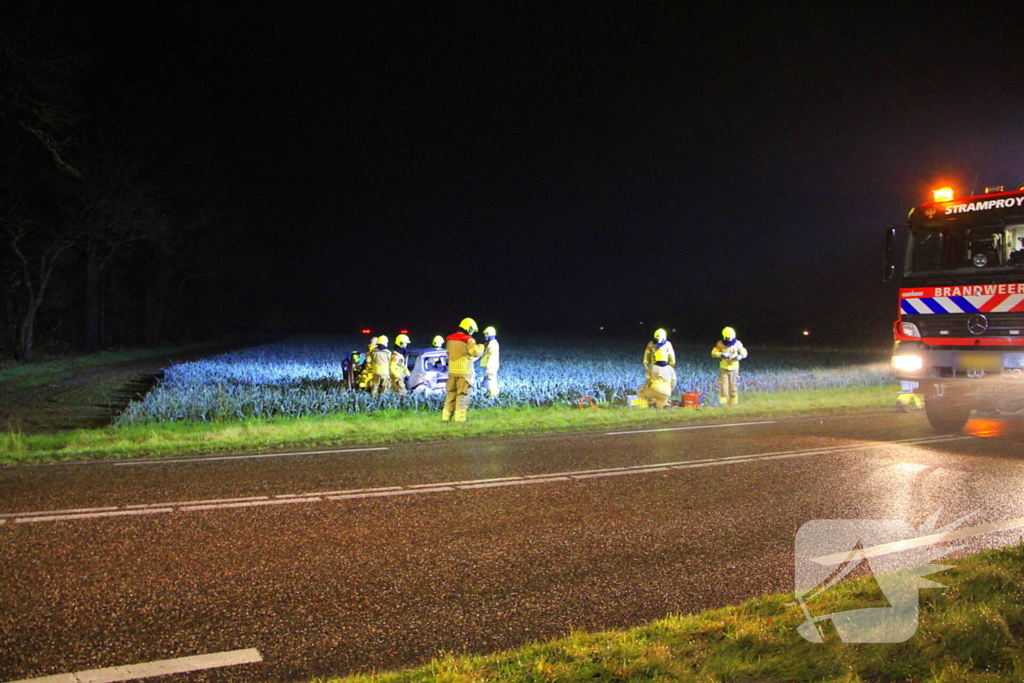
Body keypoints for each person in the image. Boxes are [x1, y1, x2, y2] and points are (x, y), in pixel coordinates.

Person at [443, 318, 484, 421]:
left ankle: (446, 417)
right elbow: (475, 352)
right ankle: (460, 419)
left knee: (451, 394)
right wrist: (481, 347)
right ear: (469, 328)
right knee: (462, 396)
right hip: (464, 372)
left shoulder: (449, 339)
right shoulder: (469, 340)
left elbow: (448, 352)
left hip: (451, 372)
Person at [711, 326, 747, 405]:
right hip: (724, 367)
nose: (729, 340)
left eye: (730, 337)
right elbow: (713, 353)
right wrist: (722, 354)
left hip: (734, 367)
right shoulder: (720, 344)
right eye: (727, 338)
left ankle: (733, 400)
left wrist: (740, 356)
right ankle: (723, 399)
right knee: (723, 384)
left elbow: (744, 352)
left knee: (733, 384)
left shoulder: (737, 343)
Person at [480, 325, 500, 398]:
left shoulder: (492, 344)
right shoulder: (490, 343)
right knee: (489, 379)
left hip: (491, 365)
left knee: (490, 379)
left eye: (486, 334)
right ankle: (491, 393)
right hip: (490, 365)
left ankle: (493, 394)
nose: (485, 336)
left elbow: (490, 354)